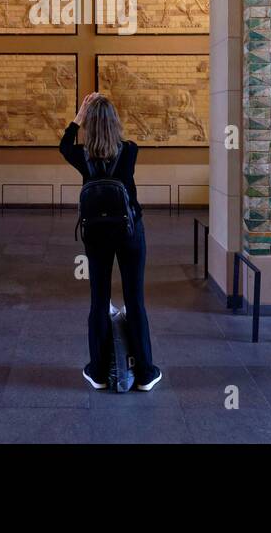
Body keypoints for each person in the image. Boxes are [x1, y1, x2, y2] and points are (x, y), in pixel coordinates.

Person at [60, 92, 162, 392]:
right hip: (130, 231)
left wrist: (77, 118)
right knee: (135, 300)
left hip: (96, 235)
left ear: (88, 125)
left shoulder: (82, 156)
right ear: (115, 123)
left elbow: (63, 145)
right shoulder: (130, 150)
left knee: (99, 300)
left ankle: (99, 372)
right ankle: (144, 373)